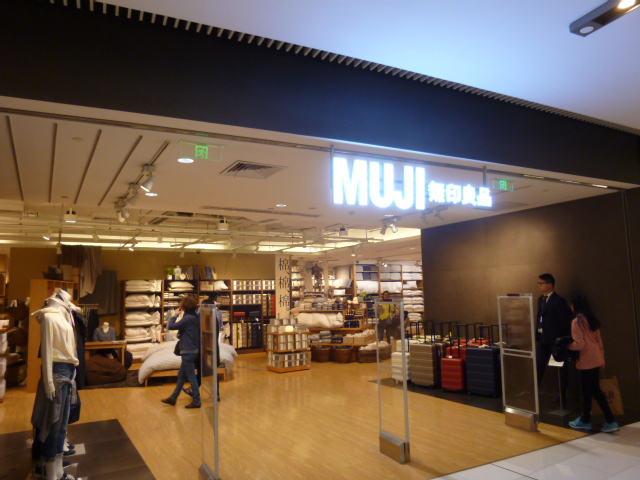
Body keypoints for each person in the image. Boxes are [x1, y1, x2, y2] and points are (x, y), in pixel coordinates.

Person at [568, 293, 619, 433]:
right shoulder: (591, 319)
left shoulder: (576, 322)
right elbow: (599, 342)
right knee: (595, 390)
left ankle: (586, 420)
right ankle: (609, 420)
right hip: (596, 358)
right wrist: (602, 359)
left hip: (586, 361)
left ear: (575, 305)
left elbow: (579, 344)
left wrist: (567, 346)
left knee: (586, 392)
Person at [535, 273, 573, 402]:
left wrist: (562, 339)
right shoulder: (540, 299)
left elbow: (564, 321)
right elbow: (539, 317)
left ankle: (561, 394)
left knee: (561, 368)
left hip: (555, 340)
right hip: (543, 338)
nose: (539, 286)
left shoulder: (558, 300)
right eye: (539, 283)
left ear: (550, 285)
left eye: (542, 283)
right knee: (538, 365)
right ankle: (534, 391)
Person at [161, 296, 201, 408]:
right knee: (181, 376)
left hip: (188, 350)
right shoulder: (196, 317)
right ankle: (173, 398)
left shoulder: (187, 319)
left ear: (184, 308)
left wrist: (175, 315)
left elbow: (171, 326)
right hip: (194, 349)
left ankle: (197, 400)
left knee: (191, 377)